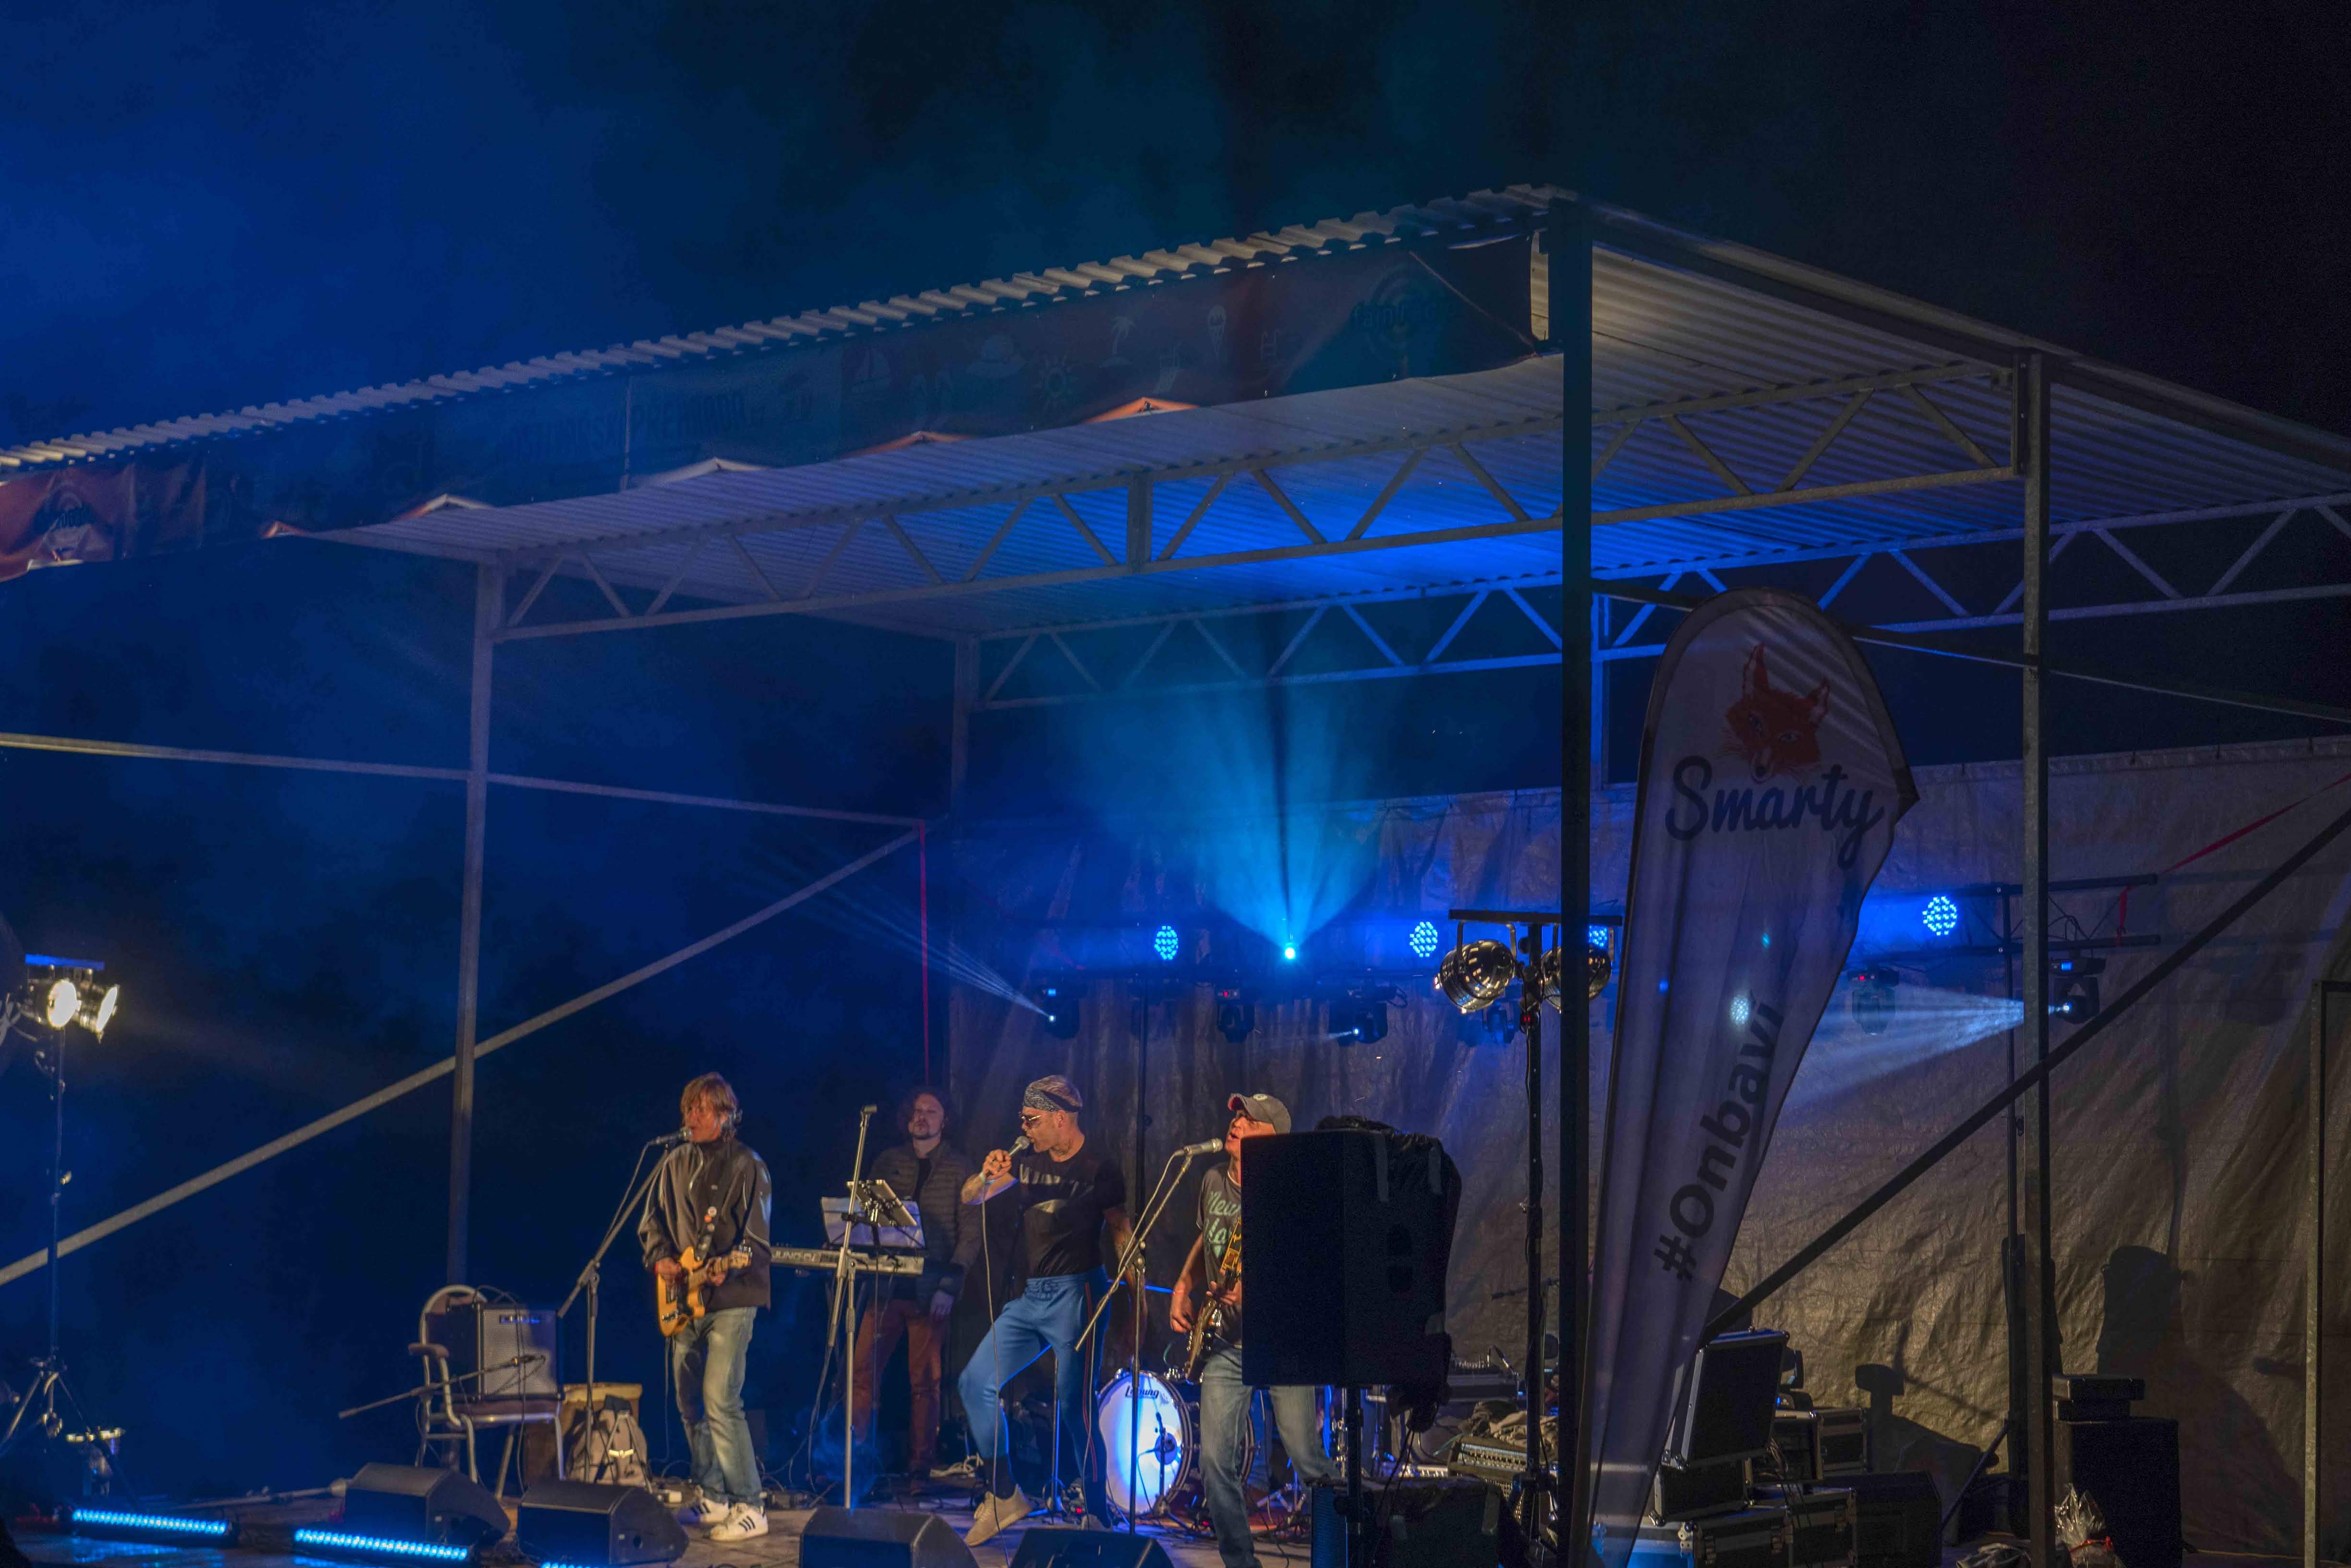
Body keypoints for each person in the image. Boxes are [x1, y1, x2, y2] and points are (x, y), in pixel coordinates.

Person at [955, 1073, 1134, 1544]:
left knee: (1075, 1405)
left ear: (1060, 1118)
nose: (1024, 1127)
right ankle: (1004, 1495)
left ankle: (1097, 1513)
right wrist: (985, 1173)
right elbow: (970, 1196)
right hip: (1033, 1297)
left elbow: (1121, 1230)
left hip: (1079, 1294)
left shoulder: (1099, 1167)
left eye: (1031, 1119)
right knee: (975, 1382)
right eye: (1022, 1119)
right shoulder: (1026, 1164)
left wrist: (1134, 1297)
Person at [1168, 1092, 1339, 1568]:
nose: (1238, 1123)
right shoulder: (1212, 1180)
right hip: (1227, 1341)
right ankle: (1241, 1563)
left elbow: (1311, 1270)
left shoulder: (1292, 1192)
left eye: (1251, 1119)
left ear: (1274, 1137)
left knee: (1307, 1458)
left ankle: (1344, 1551)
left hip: (1282, 1339)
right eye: (1238, 1115)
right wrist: (1183, 1284)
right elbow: (1207, 1236)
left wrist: (1258, 1290)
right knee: (1214, 1463)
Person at [638, 1072, 774, 1543]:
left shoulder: (748, 1165)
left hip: (734, 1298)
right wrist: (661, 1258)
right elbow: (651, 1221)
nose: (691, 1117)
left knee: (721, 1397)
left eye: (701, 1109)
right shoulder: (673, 1161)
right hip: (685, 1298)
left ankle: (751, 1505)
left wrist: (726, 1268)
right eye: (688, 1108)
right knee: (689, 1400)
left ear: (725, 1114)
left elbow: (756, 1243)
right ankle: (712, 1495)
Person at [849, 1086, 980, 1489]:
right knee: (860, 1374)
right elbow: (866, 1220)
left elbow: (970, 1234)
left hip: (930, 1289)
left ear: (946, 1120)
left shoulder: (960, 1168)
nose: (921, 1117)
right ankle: (856, 1464)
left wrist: (949, 1286)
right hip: (886, 1287)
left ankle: (919, 1469)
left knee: (925, 1383)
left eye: (931, 1111)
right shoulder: (888, 1162)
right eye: (916, 1111)